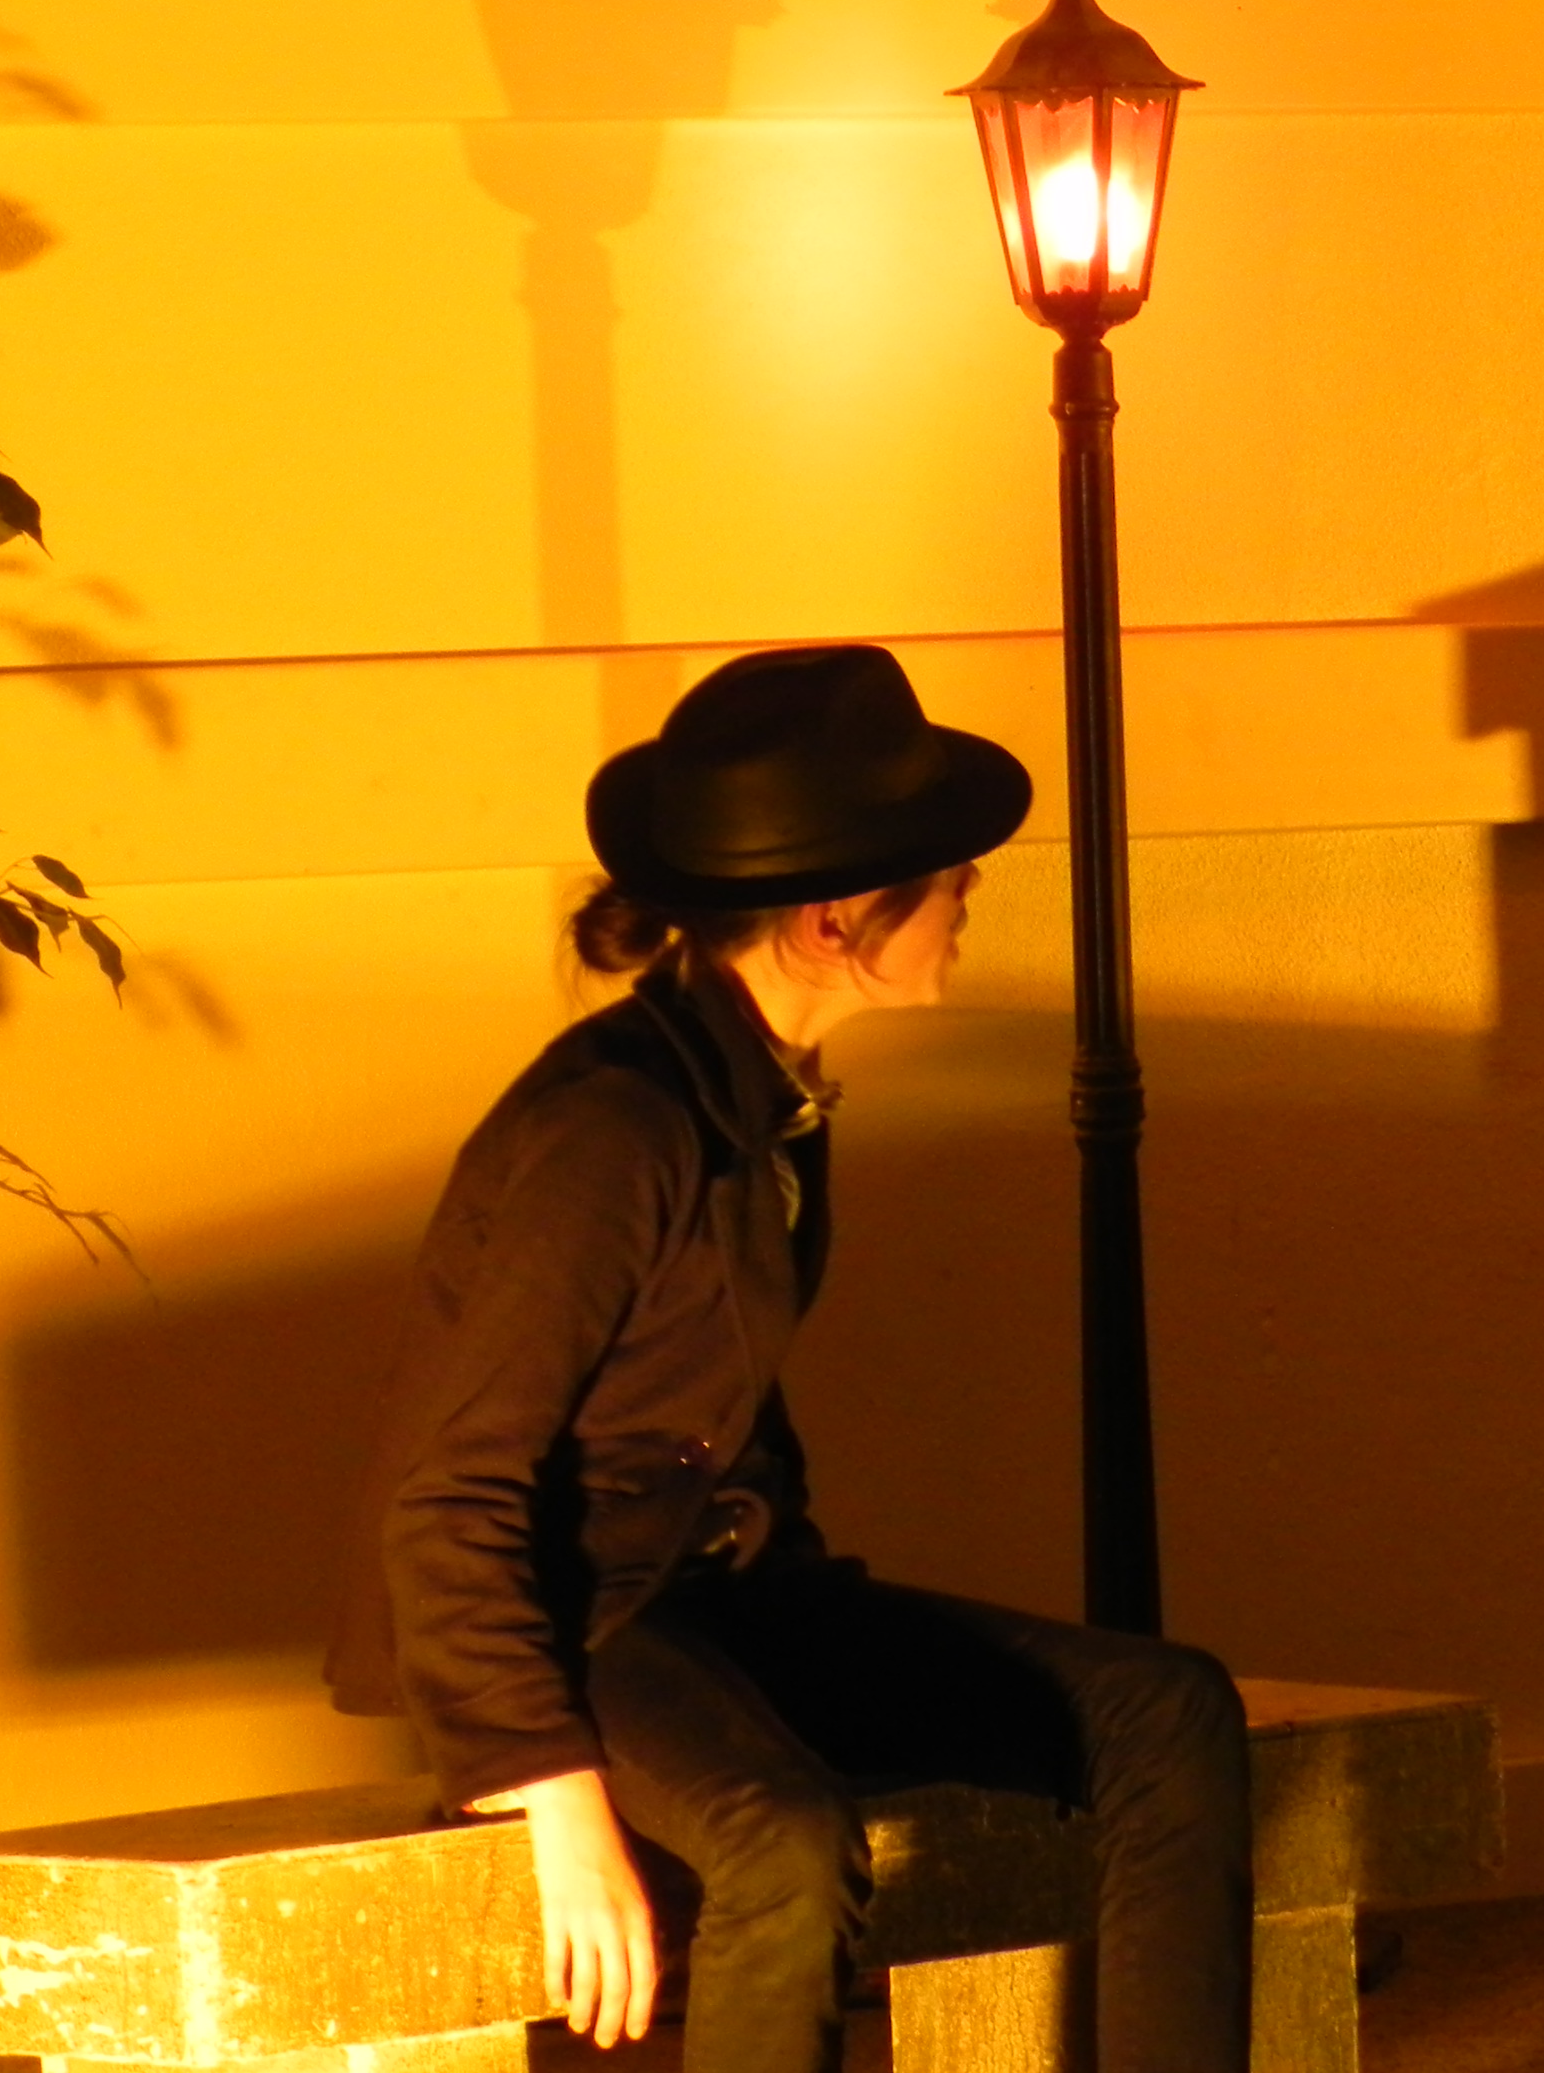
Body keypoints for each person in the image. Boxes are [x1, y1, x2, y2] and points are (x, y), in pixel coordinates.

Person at [327, 644, 1252, 2073]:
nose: (969, 887)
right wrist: (549, 1789)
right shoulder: (611, 1132)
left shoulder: (762, 1093)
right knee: (786, 1837)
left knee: (1164, 1710)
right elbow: (446, 1495)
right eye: (941, 872)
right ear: (833, 923)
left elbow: (708, 1391)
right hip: (580, 1626)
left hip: (725, 1596)